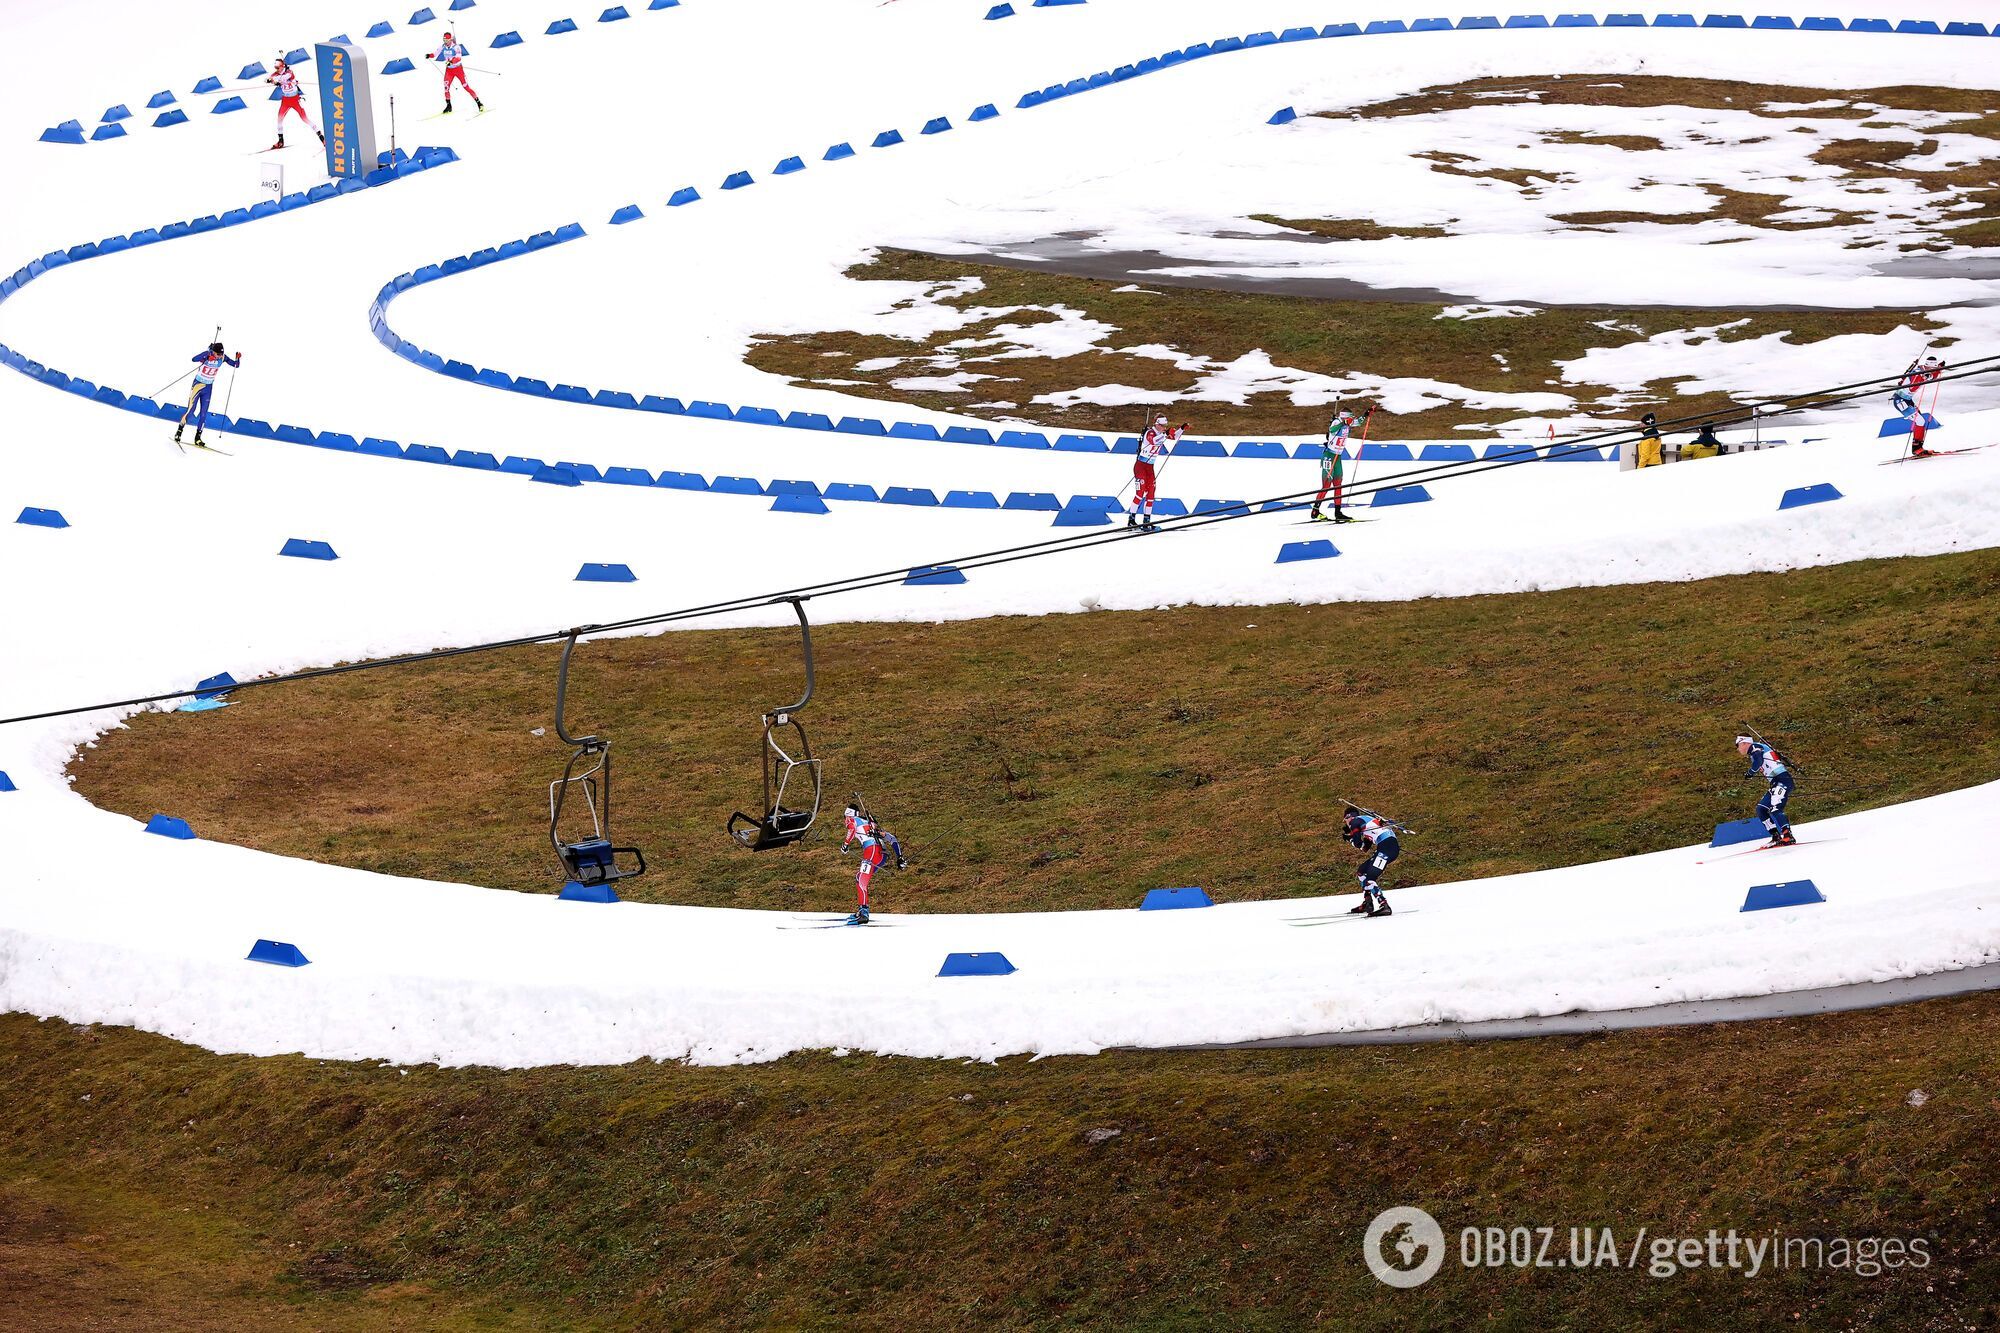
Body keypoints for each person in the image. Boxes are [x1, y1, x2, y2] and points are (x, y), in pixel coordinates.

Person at [840, 796, 906, 925]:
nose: (845, 821)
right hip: (882, 855)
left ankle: (864, 913)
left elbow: (852, 828)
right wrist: (900, 857)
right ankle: (862, 909)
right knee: (860, 877)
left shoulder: (852, 819)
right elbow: (892, 838)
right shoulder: (871, 824)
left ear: (847, 815)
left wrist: (846, 844)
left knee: (861, 880)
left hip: (872, 851)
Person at [175, 342, 242, 447]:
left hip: (208, 388)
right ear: (213, 352)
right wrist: (206, 357)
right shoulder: (208, 353)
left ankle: (198, 438)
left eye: (221, 355)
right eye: (217, 354)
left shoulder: (223, 357)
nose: (219, 357)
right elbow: (194, 359)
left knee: (203, 414)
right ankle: (179, 432)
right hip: (198, 385)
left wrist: (238, 358)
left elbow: (235, 365)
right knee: (191, 410)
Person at [1735, 734, 1796, 848]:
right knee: (1761, 809)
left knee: (1775, 808)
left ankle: (1788, 835)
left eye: (1737, 745)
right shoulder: (1755, 749)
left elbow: (1758, 760)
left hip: (1783, 780)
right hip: (1775, 782)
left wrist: (1751, 772)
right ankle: (1775, 836)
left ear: (1744, 743)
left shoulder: (1754, 747)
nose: (1737, 749)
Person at [1341, 805, 1399, 918]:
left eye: (1345, 820)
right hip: (1387, 847)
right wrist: (1353, 836)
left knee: (1370, 878)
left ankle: (1384, 905)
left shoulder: (1355, 821)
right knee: (1361, 871)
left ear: (1349, 817)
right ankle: (1368, 902)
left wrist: (1350, 838)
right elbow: (1364, 848)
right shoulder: (1366, 821)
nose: (1346, 823)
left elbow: (1357, 843)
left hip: (1386, 849)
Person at [1128, 413, 1181, 531]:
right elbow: (1153, 441)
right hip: (1140, 466)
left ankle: (1146, 521)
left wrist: (1181, 428)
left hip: (1150, 467)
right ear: (1157, 424)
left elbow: (1173, 437)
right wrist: (1166, 434)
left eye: (1165, 426)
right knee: (1140, 493)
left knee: (1151, 493)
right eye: (1162, 426)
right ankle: (1131, 520)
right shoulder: (1150, 433)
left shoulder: (1161, 433)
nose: (1164, 428)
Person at [264, 58, 323, 151]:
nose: (276, 69)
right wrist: (269, 80)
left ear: (282, 66)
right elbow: (268, 78)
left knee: (305, 119)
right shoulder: (276, 74)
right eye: (275, 67)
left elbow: (283, 78)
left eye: (277, 67)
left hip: (295, 100)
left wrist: (275, 81)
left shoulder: (289, 72)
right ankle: (280, 141)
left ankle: (321, 137)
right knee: (279, 119)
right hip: (285, 100)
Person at [1311, 410, 1357, 521]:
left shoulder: (1347, 423)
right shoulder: (1337, 422)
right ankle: (1315, 511)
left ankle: (1338, 512)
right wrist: (1343, 423)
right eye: (1350, 417)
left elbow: (1358, 422)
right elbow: (1332, 429)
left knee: (1338, 484)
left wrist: (1367, 413)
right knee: (1327, 484)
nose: (1351, 420)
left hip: (1338, 456)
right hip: (1329, 456)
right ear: (1345, 417)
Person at [430, 32, 485, 115]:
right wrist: (429, 55)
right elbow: (435, 53)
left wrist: (451, 62)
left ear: (450, 39)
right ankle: (449, 106)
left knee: (466, 87)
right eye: (444, 39)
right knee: (446, 87)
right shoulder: (443, 46)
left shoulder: (456, 47)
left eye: (446, 40)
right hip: (449, 71)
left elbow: (459, 58)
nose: (445, 41)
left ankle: (479, 103)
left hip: (458, 70)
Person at [1889, 388, 1935, 458]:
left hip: (1907, 400)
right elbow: (1910, 387)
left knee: (1920, 421)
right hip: (1900, 401)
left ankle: (1918, 447)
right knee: (1920, 421)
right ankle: (1916, 448)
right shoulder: (1916, 378)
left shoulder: (1916, 378)